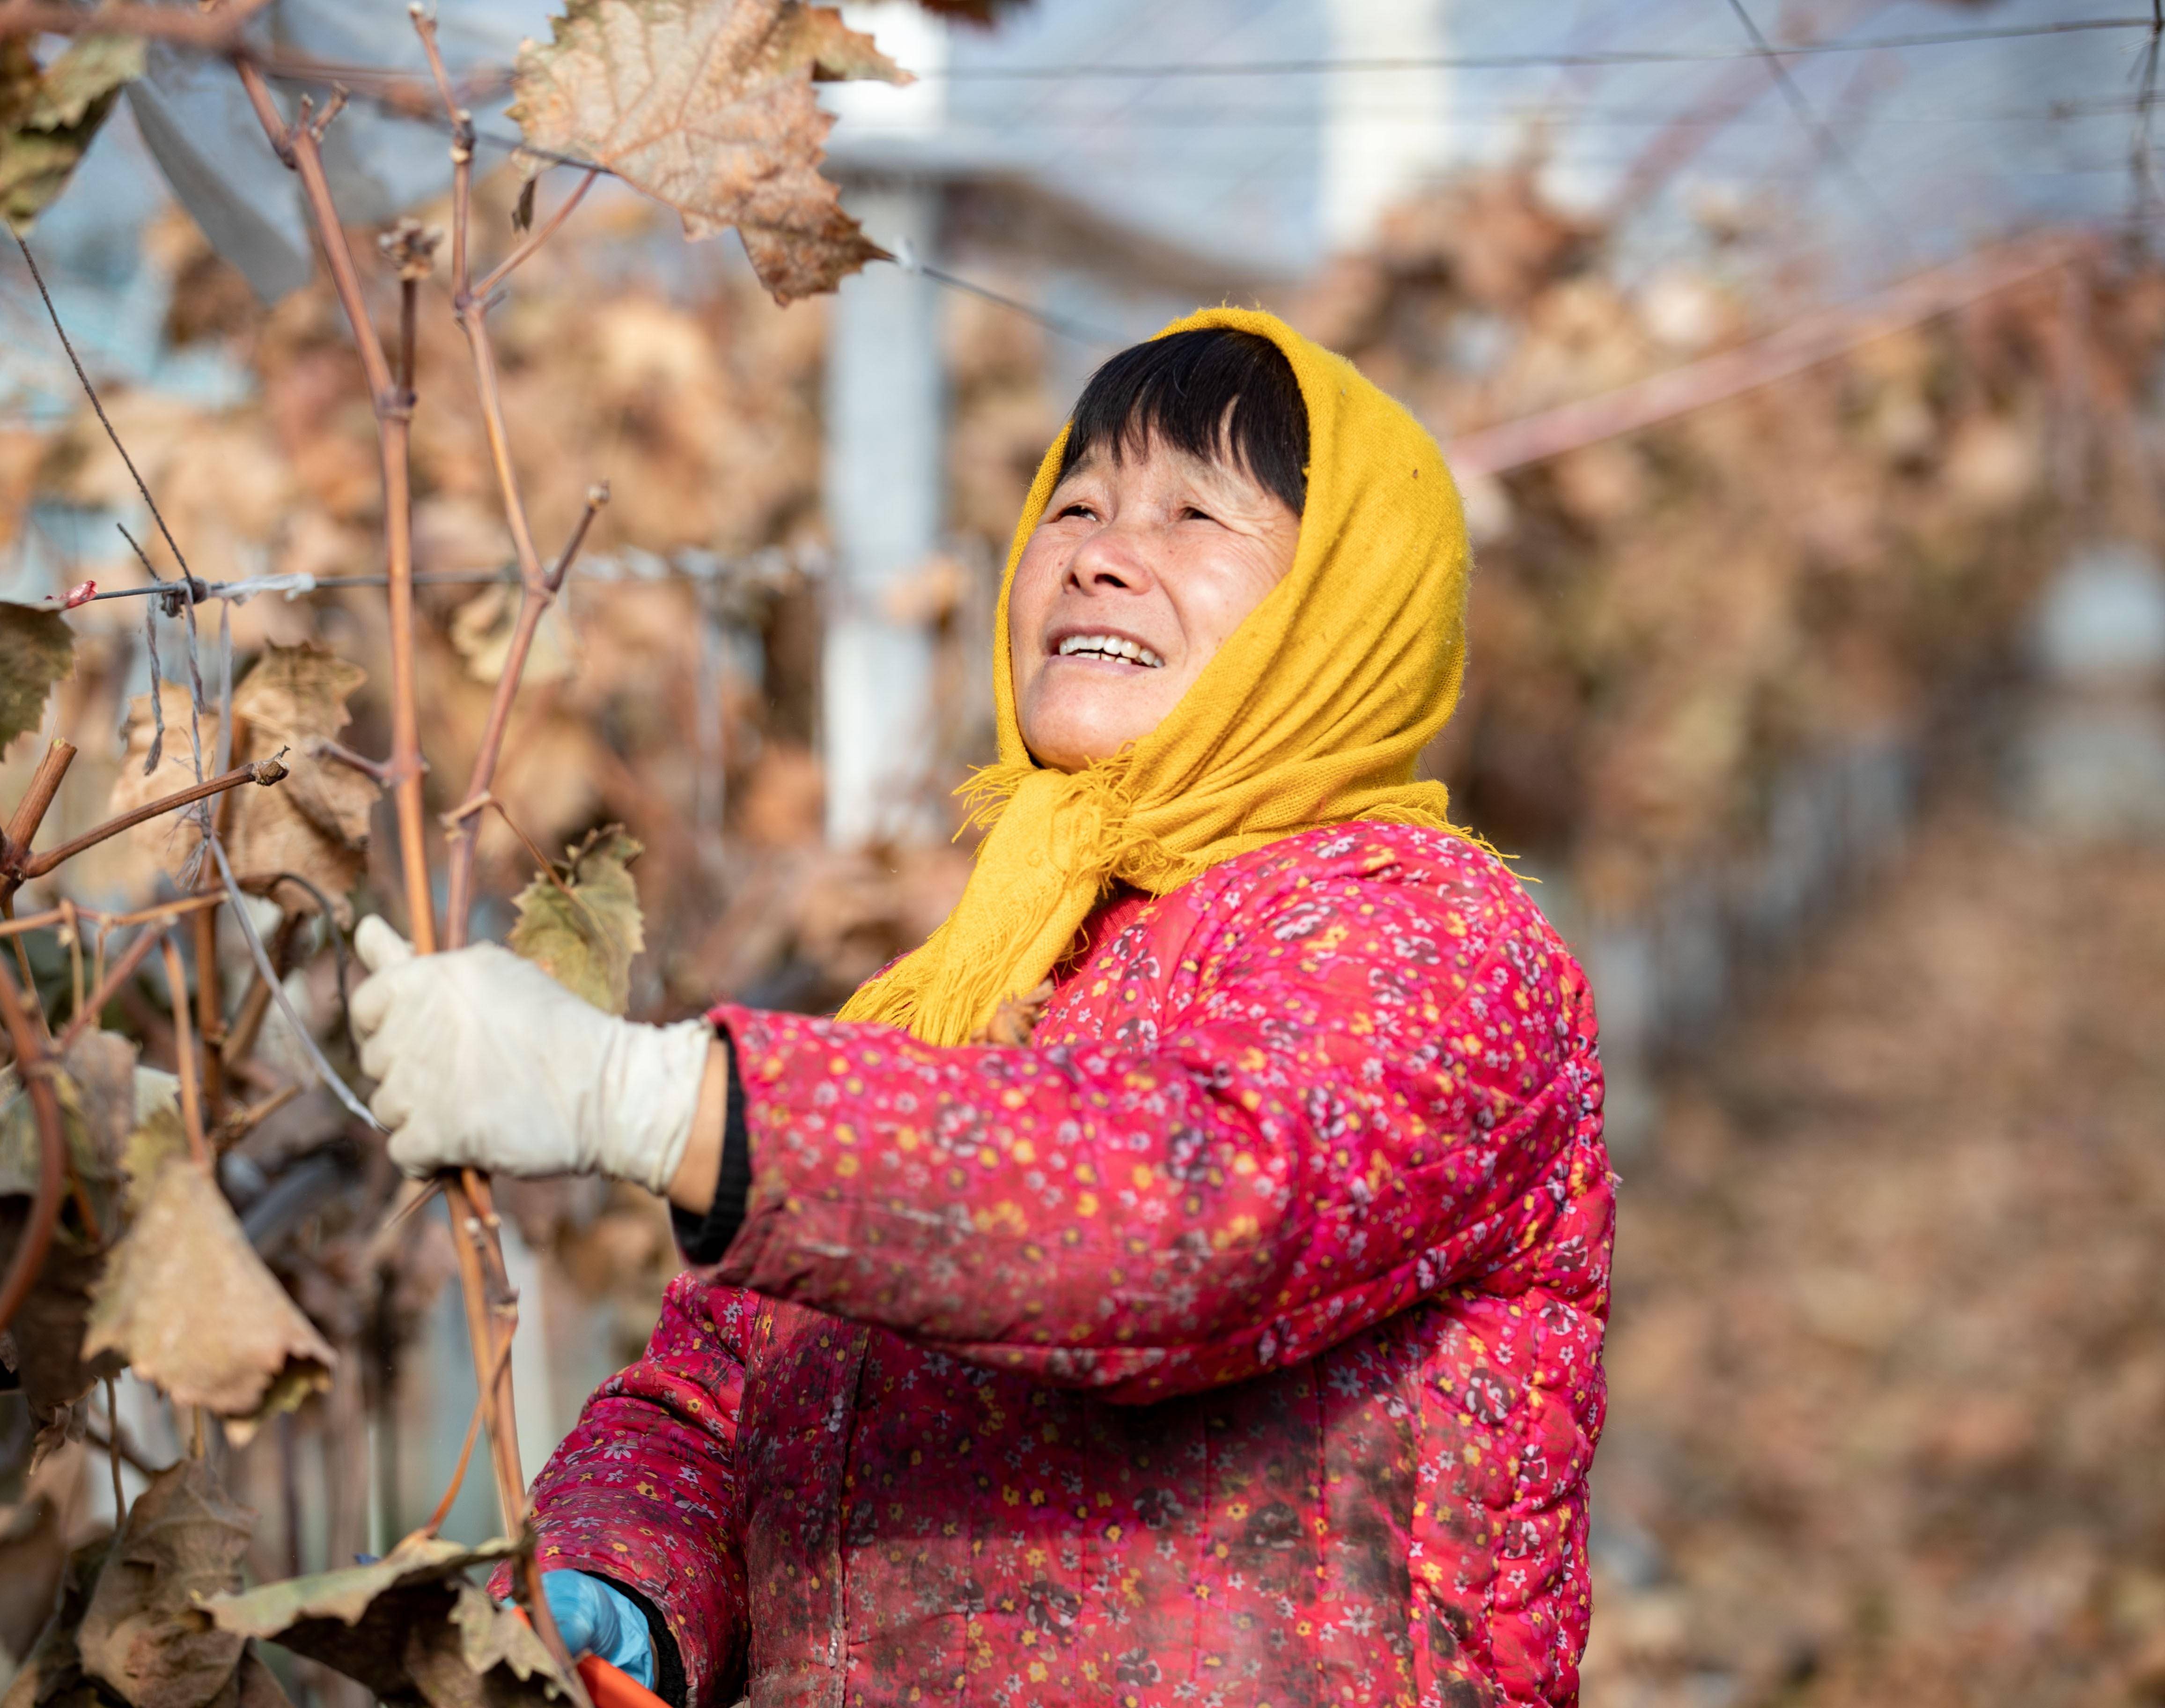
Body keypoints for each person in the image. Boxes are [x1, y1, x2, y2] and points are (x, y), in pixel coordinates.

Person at [352, 308, 1612, 1708]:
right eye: (1074, 504)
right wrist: (616, 1591)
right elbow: (718, 1394)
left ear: (1344, 612)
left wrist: (646, 1099)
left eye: (1195, 514)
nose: (1096, 553)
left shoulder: (1429, 935)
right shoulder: (973, 975)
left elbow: (1189, 1214)